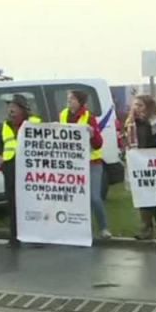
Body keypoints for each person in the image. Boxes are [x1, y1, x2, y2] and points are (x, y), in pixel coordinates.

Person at [59, 90, 109, 240]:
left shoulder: (89, 117)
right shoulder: (63, 115)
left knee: (94, 197)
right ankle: (83, 228)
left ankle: (104, 228)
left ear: (80, 102)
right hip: (73, 164)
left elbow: (98, 144)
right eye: (68, 98)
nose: (69, 101)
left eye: (72, 98)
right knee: (77, 199)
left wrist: (92, 133)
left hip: (92, 163)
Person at [0, 94, 40, 248]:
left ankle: (36, 235)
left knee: (33, 202)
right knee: (12, 203)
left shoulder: (35, 123)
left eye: (14, 107)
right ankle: (14, 237)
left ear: (23, 109)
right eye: (9, 107)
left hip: (30, 168)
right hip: (11, 167)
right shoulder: (5, 125)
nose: (10, 110)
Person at [130, 94, 156, 242]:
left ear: (148, 107)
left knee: (155, 196)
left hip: (154, 161)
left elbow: (153, 139)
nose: (137, 108)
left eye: (140, 105)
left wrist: (142, 121)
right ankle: (146, 227)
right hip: (139, 162)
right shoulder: (134, 122)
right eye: (135, 105)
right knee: (143, 196)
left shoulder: (154, 119)